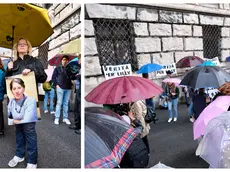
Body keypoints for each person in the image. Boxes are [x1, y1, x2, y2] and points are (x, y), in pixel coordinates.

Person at [7, 78, 38, 168]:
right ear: (11, 91)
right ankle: (20, 155)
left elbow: (28, 119)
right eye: (14, 88)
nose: (17, 91)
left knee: (30, 137)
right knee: (19, 135)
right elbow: (9, 118)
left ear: (24, 88)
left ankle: (32, 161)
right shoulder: (11, 102)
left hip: (29, 124)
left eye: (19, 88)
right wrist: (13, 120)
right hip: (18, 124)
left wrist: (14, 120)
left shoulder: (30, 100)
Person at [52, 55, 72, 125]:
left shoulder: (69, 68)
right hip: (60, 87)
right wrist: (56, 85)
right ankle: (57, 118)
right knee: (59, 103)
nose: (65, 61)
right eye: (63, 59)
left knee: (66, 103)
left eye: (66, 60)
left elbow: (72, 77)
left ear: (68, 61)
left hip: (68, 88)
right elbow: (53, 77)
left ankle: (65, 118)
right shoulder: (57, 68)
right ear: (61, 60)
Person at [0, 58, 6, 136]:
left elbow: (1, 85)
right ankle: (1, 129)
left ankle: (1, 129)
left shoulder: (1, 72)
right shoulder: (2, 71)